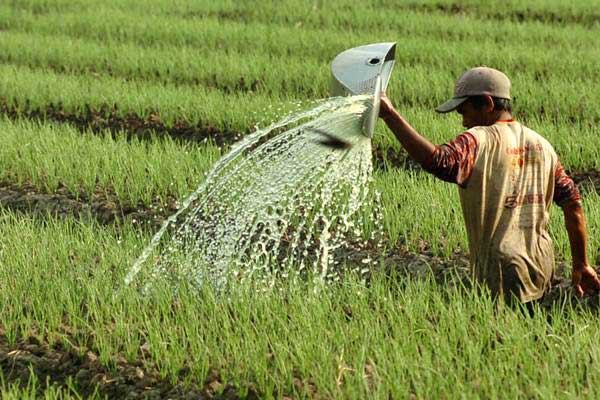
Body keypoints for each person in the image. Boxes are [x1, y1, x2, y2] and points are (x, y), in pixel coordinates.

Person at [379, 66, 600, 304]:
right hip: (541, 264)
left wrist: (390, 115)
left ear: (487, 103)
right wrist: (581, 264)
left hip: (501, 269)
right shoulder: (543, 146)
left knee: (498, 333)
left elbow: (439, 161)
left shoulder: (478, 139)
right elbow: (573, 203)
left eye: (465, 111)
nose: (464, 121)